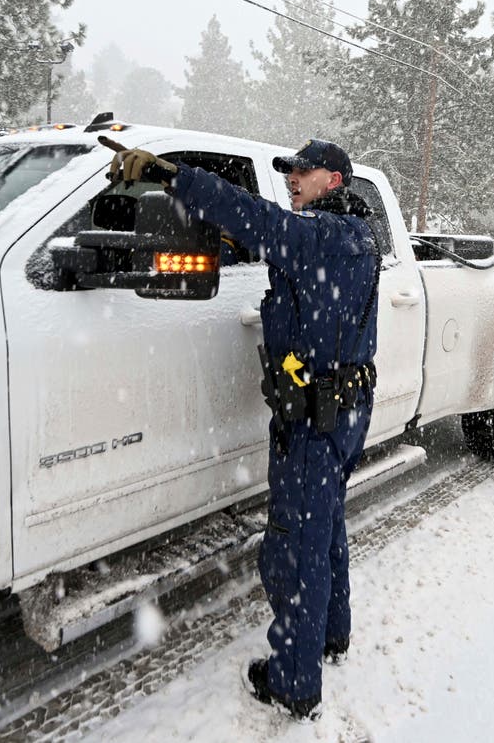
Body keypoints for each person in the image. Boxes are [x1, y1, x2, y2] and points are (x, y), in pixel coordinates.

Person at [102, 137, 380, 721]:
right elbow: (264, 238)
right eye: (289, 172)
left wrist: (176, 177)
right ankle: (331, 636)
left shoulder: (323, 237)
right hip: (342, 410)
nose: (292, 178)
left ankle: (293, 682)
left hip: (314, 419)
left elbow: (264, 221)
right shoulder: (343, 238)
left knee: (294, 545)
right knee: (324, 527)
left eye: (303, 172)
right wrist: (215, 240)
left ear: (334, 180)